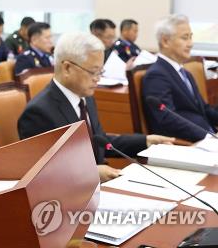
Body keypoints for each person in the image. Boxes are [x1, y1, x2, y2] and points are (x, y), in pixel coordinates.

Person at [18, 32, 174, 182]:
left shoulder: (86, 97)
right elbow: (44, 173)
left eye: (101, 71)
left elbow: (99, 142)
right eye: (93, 72)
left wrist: (145, 141)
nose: (97, 79)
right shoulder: (39, 113)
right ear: (67, 68)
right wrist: (91, 173)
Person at [142, 14, 218, 142]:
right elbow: (166, 119)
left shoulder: (185, 72)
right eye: (185, 38)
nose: (191, 44)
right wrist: (208, 137)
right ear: (165, 41)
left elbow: (203, 109)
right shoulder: (156, 75)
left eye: (191, 37)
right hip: (187, 143)